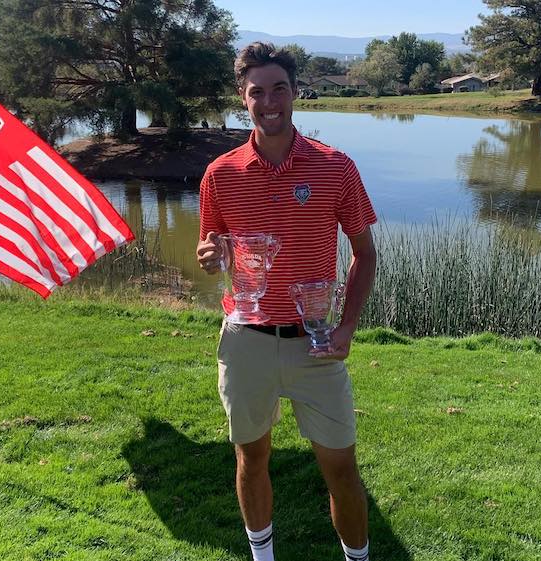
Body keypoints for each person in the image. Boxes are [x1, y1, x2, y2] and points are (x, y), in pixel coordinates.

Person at [196, 42, 377, 561]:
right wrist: (210, 259)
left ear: (295, 93)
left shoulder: (335, 167)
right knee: (252, 459)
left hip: (316, 345)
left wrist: (346, 329)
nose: (269, 101)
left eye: (280, 89)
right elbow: (214, 249)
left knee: (341, 468)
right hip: (246, 342)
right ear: (243, 97)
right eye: (258, 92)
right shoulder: (219, 174)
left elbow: (364, 254)